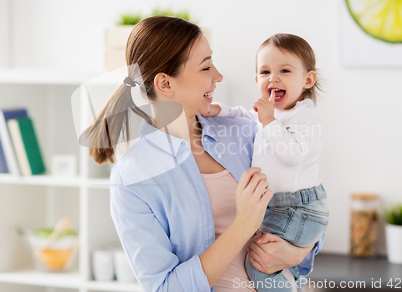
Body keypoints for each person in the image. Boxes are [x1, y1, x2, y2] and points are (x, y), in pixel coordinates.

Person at [86, 17, 323, 291]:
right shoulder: (133, 178)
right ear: (165, 84)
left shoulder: (245, 129)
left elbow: (307, 202)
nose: (218, 75)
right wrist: (242, 226)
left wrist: (298, 252)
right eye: (206, 66)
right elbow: (165, 287)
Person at [203, 33, 328, 292]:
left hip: (298, 206)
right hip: (283, 207)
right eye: (265, 71)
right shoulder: (275, 114)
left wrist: (269, 120)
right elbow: (245, 114)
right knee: (274, 263)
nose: (274, 78)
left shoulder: (304, 116)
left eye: (284, 70)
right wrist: (217, 110)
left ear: (308, 79)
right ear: (257, 79)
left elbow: (292, 153)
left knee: (259, 268)